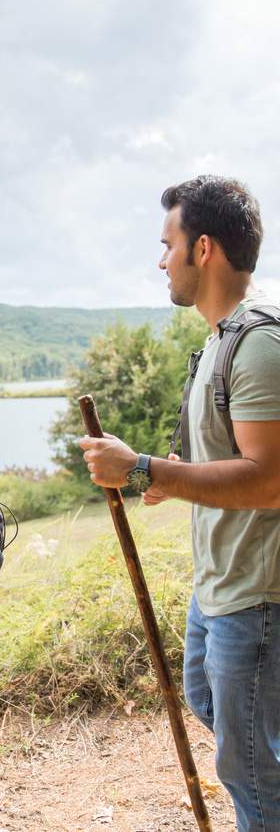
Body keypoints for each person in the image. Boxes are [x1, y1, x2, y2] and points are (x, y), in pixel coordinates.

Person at [79, 175, 280, 831]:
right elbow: (225, 460)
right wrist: (166, 477)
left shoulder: (260, 346)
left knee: (250, 774)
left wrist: (140, 467)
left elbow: (268, 479)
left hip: (258, 597)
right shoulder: (219, 344)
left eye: (166, 244)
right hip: (218, 587)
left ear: (202, 249)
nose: (158, 259)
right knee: (212, 704)